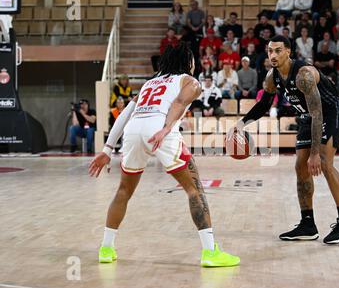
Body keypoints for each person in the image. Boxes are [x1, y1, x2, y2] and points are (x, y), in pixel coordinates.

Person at [88, 43, 239, 267]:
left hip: (132, 131)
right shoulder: (190, 81)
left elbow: (126, 113)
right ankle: (210, 252)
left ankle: (106, 248)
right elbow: (178, 102)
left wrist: (107, 149)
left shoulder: (149, 83)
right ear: (189, 63)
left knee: (123, 190)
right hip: (159, 129)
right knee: (194, 189)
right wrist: (167, 128)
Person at [229, 35, 339, 244]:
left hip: (331, 111)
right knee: (300, 166)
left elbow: (318, 113)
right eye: (270, 51)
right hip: (308, 116)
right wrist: (240, 124)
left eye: (278, 50)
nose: (273, 55)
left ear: (288, 51)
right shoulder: (272, 76)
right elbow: (264, 105)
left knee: (324, 163)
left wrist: (315, 153)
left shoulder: (303, 75)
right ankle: (308, 224)